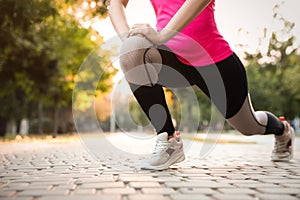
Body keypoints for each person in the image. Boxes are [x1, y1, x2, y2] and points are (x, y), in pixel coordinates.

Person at [108, 0, 294, 170]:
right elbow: (115, 3)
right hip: (173, 60)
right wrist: (129, 38)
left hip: (214, 62)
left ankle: (282, 129)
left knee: (248, 126)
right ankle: (168, 140)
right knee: (132, 50)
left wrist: (162, 35)